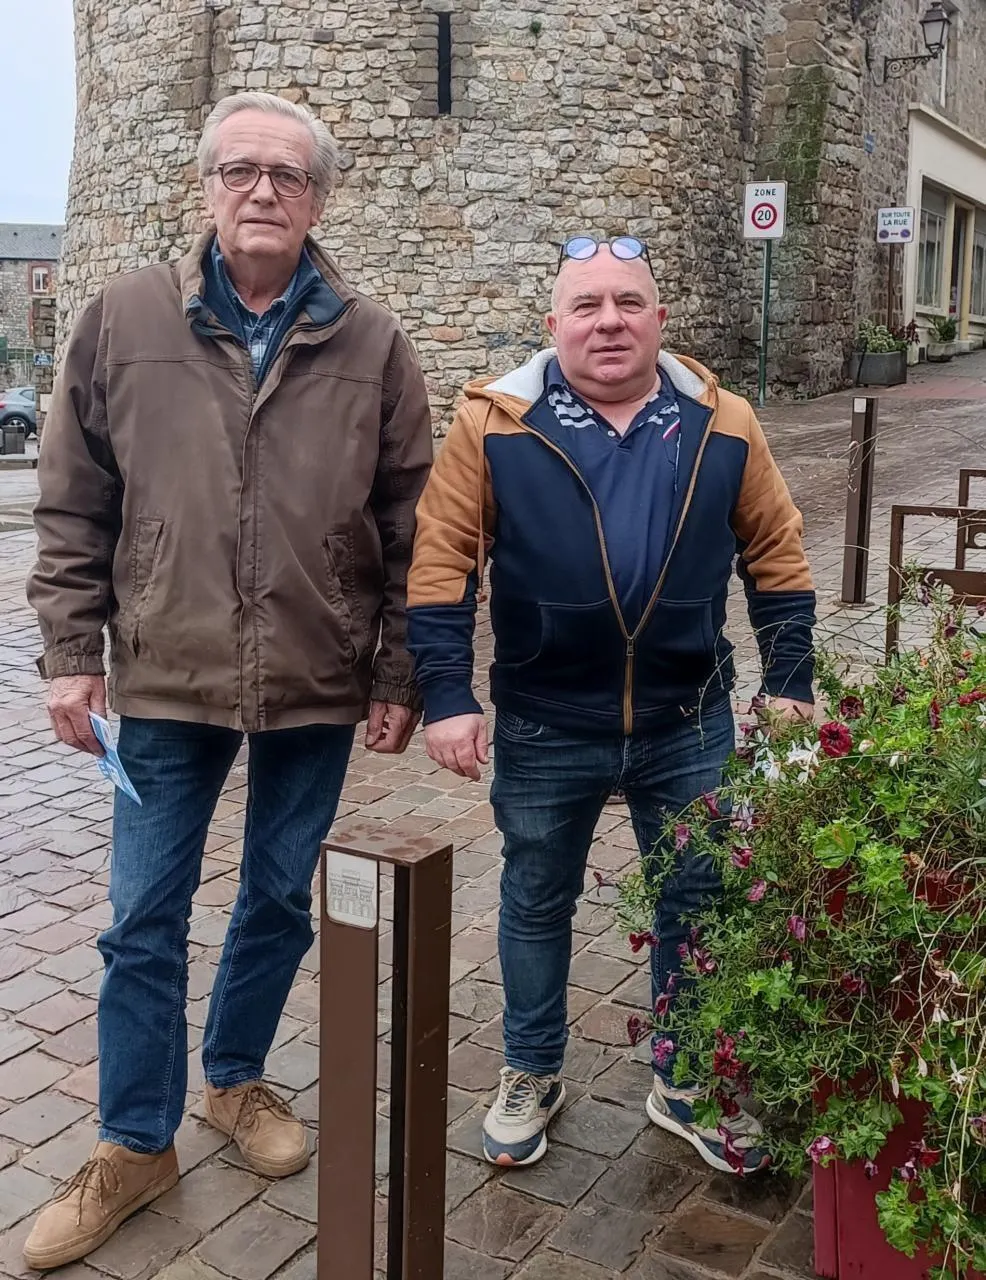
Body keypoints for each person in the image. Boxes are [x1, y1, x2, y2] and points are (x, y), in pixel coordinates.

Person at [24, 91, 432, 1268]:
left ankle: (235, 1078)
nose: (263, 191)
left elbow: (412, 525)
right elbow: (73, 502)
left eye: (287, 175)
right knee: (142, 918)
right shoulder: (122, 318)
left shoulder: (371, 341)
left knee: (274, 898)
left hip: (315, 675)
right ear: (206, 186)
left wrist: (398, 668)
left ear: (318, 200)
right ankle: (132, 1141)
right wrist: (71, 654)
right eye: (241, 169)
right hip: (164, 675)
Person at [406, 235, 815, 1174]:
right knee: (536, 896)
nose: (609, 322)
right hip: (547, 718)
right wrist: (446, 694)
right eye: (587, 305)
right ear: (553, 323)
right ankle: (531, 1068)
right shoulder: (496, 423)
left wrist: (790, 681)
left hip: (690, 717)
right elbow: (441, 562)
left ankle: (688, 1078)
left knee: (698, 895)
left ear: (659, 320)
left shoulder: (723, 421)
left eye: (629, 303)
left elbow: (777, 555)